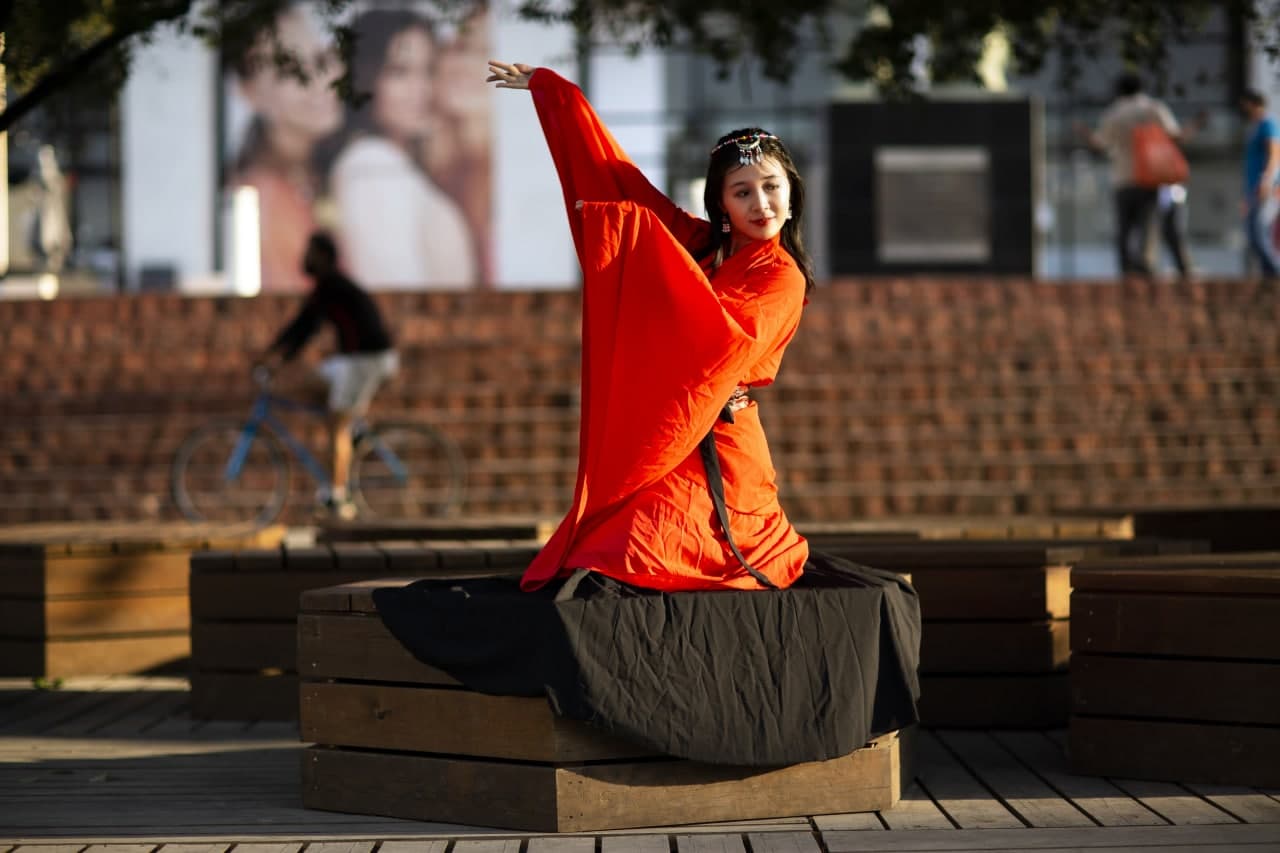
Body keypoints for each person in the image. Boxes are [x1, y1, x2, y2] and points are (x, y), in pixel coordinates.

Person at [486, 59, 814, 593]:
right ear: (721, 203)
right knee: (605, 554)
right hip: (669, 435)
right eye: (743, 192)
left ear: (792, 192)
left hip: (717, 447)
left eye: (772, 187)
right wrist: (560, 99)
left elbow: (720, 339)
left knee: (635, 552)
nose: (761, 204)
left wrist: (643, 241)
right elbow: (622, 185)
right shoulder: (700, 245)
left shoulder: (780, 275)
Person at [327, 9, 477, 289]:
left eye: (428, 70)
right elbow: (397, 291)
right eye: (399, 72)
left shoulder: (390, 163)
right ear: (365, 77)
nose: (421, 89)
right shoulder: (371, 166)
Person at [255, 231, 398, 519]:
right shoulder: (327, 288)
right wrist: (274, 355)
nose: (304, 258)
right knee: (311, 383)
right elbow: (301, 325)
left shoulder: (333, 287)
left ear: (322, 256)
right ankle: (352, 428)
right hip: (349, 361)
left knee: (337, 424)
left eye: (309, 251)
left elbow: (304, 329)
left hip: (366, 360)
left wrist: (277, 358)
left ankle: (337, 496)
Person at [228, 3, 343, 293]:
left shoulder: (322, 172)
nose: (317, 82)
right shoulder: (267, 197)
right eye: (291, 72)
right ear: (250, 92)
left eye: (322, 60)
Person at [1076, 73, 1186, 277]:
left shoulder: (1113, 113)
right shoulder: (1154, 108)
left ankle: (1126, 270)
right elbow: (1175, 135)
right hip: (1151, 177)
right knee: (1148, 225)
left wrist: (1084, 133)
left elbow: (1100, 143)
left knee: (1124, 228)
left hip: (1123, 178)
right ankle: (1145, 265)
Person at [1239, 88, 1280, 281]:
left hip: (1264, 189)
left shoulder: (1268, 124)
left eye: (1245, 104)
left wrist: (1267, 182)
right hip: (1253, 190)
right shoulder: (1255, 127)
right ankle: (1269, 280)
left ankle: (1275, 276)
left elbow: (1274, 155)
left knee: (1260, 234)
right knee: (1253, 236)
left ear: (1252, 103)